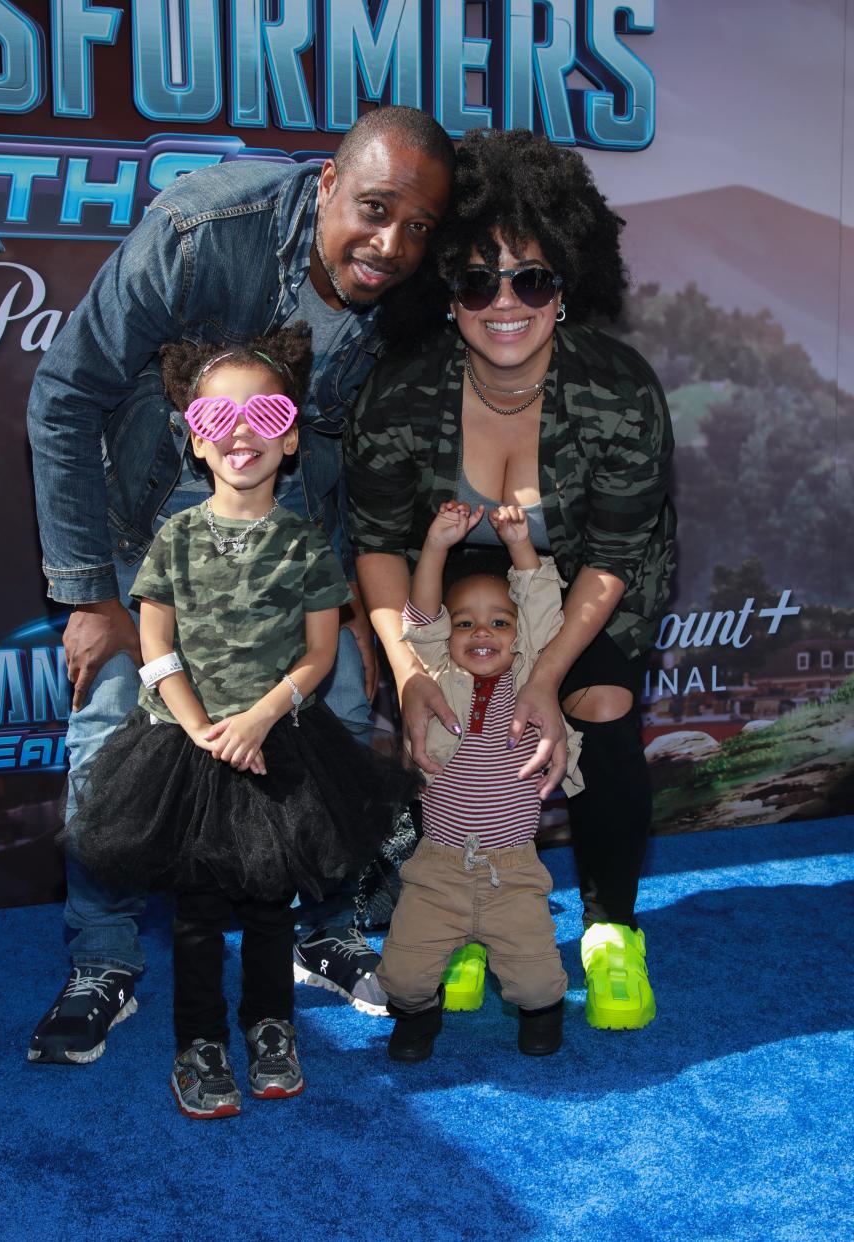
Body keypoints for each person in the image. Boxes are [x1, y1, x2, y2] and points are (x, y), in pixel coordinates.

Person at [26, 106, 453, 1063]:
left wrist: (354, 608)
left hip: (299, 535)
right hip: (155, 522)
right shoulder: (202, 232)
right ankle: (103, 963)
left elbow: (358, 456)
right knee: (110, 743)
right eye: (375, 209)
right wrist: (91, 592)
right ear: (329, 183)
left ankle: (323, 933)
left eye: (419, 226)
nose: (392, 244)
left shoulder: (408, 300)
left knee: (337, 729)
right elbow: (64, 396)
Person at [346, 128, 676, 1033]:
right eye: (476, 279)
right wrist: (412, 673)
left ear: (566, 288)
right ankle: (451, 916)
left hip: (584, 588)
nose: (505, 302)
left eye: (531, 278)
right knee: (445, 707)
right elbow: (375, 541)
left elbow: (612, 557)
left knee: (600, 705)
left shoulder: (619, 390)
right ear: (443, 293)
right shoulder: (403, 393)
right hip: (444, 583)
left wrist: (542, 677)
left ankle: (612, 930)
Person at [59, 328, 418, 1118]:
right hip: (185, 754)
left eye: (265, 413)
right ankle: (199, 1045)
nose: (242, 433)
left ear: (291, 436)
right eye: (218, 419)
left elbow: (321, 653)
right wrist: (198, 729)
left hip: (282, 743)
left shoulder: (305, 543)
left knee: (267, 907)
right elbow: (154, 643)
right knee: (194, 917)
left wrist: (259, 718)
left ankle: (270, 1029)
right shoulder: (174, 539)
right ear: (194, 439)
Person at [377, 501, 582, 1062]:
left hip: (512, 870)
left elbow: (543, 607)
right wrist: (436, 545)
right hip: (438, 866)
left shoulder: (531, 678)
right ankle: (420, 1015)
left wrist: (520, 543)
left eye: (499, 621)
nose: (481, 631)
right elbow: (417, 619)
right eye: (464, 622)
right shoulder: (438, 678)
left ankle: (542, 1013)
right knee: (400, 976)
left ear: (519, 637)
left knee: (538, 981)